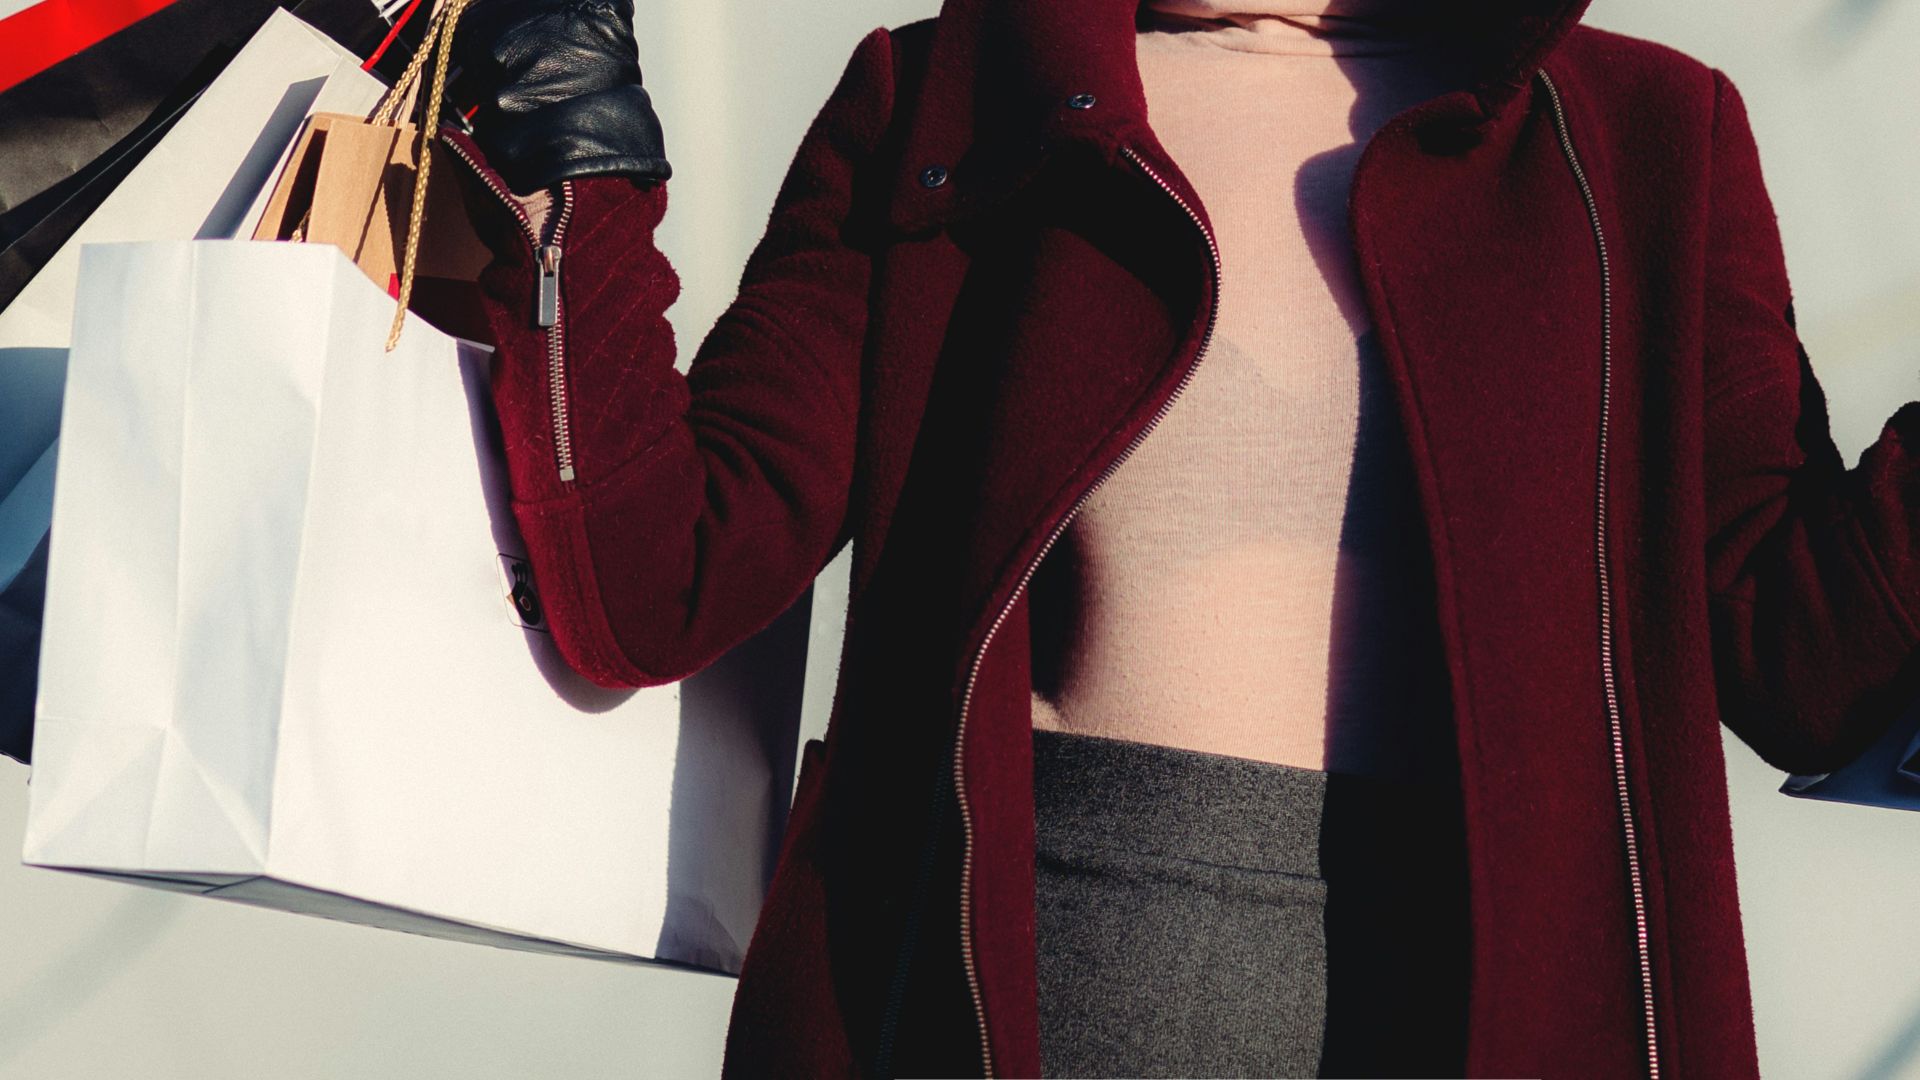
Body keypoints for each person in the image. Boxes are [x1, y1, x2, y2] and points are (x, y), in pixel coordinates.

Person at [446, 0, 1920, 1077]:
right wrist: (571, 142)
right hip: (1012, 1000)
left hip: (1504, 1006)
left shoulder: (1649, 136)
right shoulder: (948, 92)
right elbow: (654, 584)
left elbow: (1806, 662)